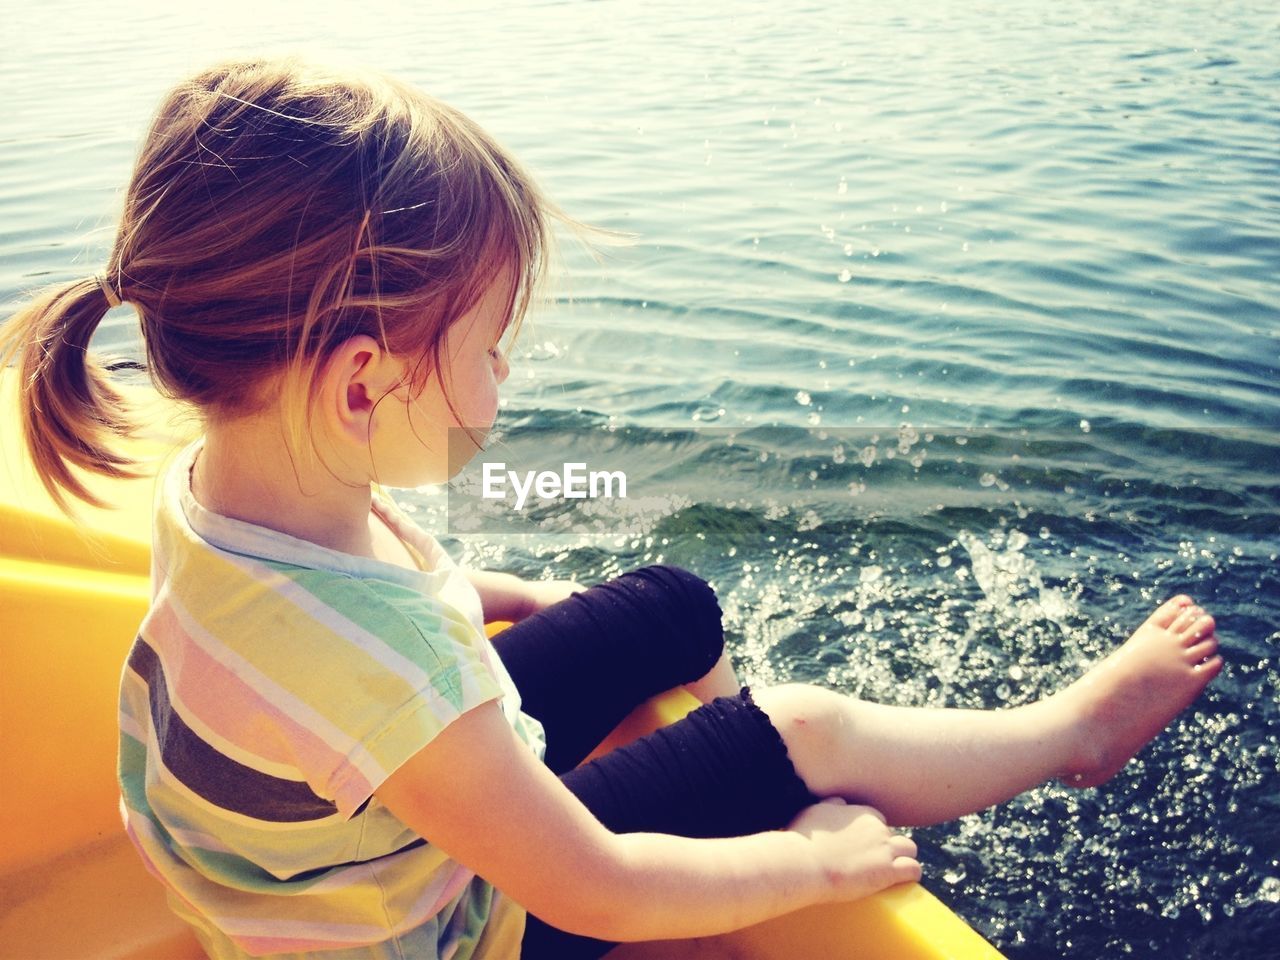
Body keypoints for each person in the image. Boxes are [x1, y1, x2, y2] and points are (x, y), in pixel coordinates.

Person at [0, 56, 1223, 960]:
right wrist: (802, 862)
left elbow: (359, 618)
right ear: (363, 379)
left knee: (666, 607)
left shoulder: (221, 482)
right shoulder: (388, 675)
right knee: (806, 731)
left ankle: (732, 753)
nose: (507, 376)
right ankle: (1070, 738)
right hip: (446, 927)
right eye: (491, 346)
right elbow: (595, 890)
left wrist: (508, 602)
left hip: (320, 838)